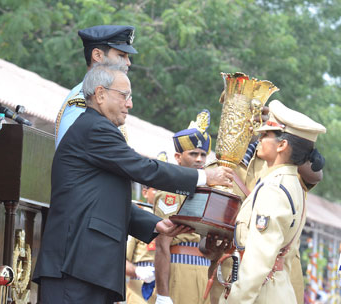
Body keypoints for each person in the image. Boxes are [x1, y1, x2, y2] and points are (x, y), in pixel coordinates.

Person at [33, 63, 234, 304]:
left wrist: (155, 225)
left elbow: (104, 202)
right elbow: (143, 168)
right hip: (75, 264)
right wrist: (204, 177)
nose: (130, 104)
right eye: (124, 96)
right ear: (100, 94)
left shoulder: (96, 129)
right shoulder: (95, 128)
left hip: (87, 265)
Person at [219, 100, 326, 304]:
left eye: (265, 135)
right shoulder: (291, 182)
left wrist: (235, 300)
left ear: (282, 145)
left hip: (262, 293)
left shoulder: (274, 189)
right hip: (275, 288)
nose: (258, 139)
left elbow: (257, 263)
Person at [154, 110, 213, 304]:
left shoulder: (209, 192)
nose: (199, 159)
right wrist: (163, 293)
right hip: (179, 268)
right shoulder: (169, 193)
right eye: (194, 153)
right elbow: (162, 245)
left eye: (203, 155)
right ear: (178, 157)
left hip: (205, 270)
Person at [55, 24, 137, 148]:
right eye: (121, 56)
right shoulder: (82, 101)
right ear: (97, 55)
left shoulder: (104, 97)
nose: (128, 62)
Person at [126, 152, 169, 304]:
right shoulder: (138, 218)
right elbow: (120, 259)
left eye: (165, 188)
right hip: (141, 287)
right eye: (156, 189)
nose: (161, 193)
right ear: (144, 192)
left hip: (167, 283)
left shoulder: (170, 219)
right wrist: (137, 271)